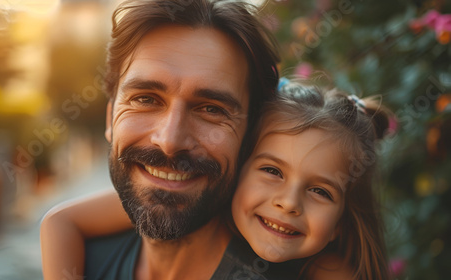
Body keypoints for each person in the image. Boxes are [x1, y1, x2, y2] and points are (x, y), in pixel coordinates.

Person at [41, 80, 392, 280]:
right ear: (238, 168)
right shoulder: (201, 203)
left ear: (341, 224)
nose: (288, 202)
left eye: (320, 190)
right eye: (272, 171)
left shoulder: (329, 271)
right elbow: (61, 221)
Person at [41, 0, 289, 279]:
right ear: (110, 118)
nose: (170, 141)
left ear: (251, 136)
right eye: (145, 99)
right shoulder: (84, 261)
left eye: (211, 109)